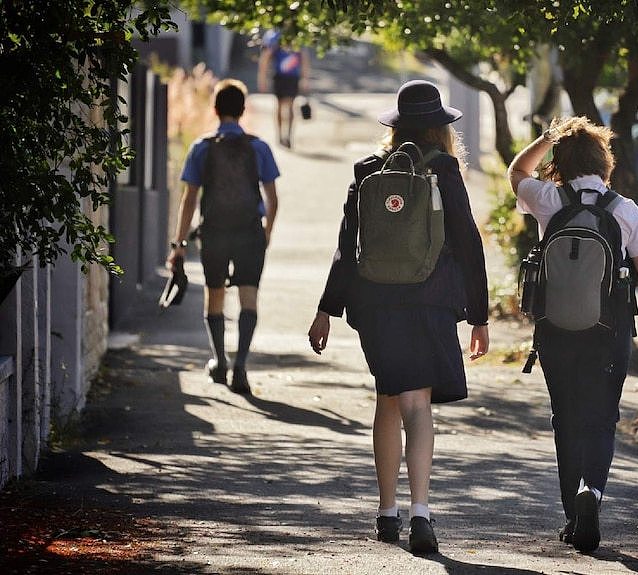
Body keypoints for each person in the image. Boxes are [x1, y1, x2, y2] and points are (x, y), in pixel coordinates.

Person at [307, 79, 490, 554]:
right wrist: (479, 314)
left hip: (375, 304)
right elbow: (468, 242)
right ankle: (420, 514)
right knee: (417, 404)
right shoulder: (445, 170)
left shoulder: (368, 170)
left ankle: (386, 513)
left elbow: (347, 246)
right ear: (440, 128)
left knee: (389, 398)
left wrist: (327, 309)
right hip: (430, 300)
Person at [507, 116, 638, 554]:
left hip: (554, 330)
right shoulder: (623, 208)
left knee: (566, 419)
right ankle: (590, 493)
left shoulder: (548, 198)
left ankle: (572, 516)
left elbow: (516, 174)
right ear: (604, 161)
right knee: (601, 418)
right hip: (607, 332)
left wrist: (544, 139)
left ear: (561, 163)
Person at [167, 79, 280, 394]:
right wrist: (266, 234)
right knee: (248, 296)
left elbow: (189, 199)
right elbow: (273, 198)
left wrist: (179, 244)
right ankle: (241, 365)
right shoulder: (258, 147)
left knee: (214, 294)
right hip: (249, 233)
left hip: (214, 233)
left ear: (215, 110)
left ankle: (219, 361)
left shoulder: (202, 147)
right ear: (243, 110)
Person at [257, 28, 310, 149]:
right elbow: (265, 57)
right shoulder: (274, 35)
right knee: (280, 105)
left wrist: (305, 78)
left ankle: (289, 136)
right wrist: (262, 78)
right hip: (280, 76)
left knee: (291, 106)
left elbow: (304, 57)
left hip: (293, 76)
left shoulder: (297, 34)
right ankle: (280, 135)